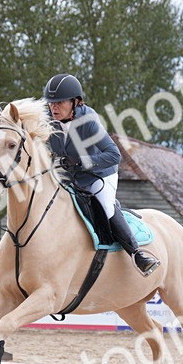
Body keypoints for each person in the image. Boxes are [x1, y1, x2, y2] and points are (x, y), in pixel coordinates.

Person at [43, 73, 159, 276]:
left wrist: (81, 162)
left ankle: (137, 254)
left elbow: (114, 155)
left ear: (75, 102)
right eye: (51, 103)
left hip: (99, 174)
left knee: (105, 205)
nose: (54, 108)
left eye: (59, 102)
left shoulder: (88, 121)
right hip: (69, 176)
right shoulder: (48, 120)